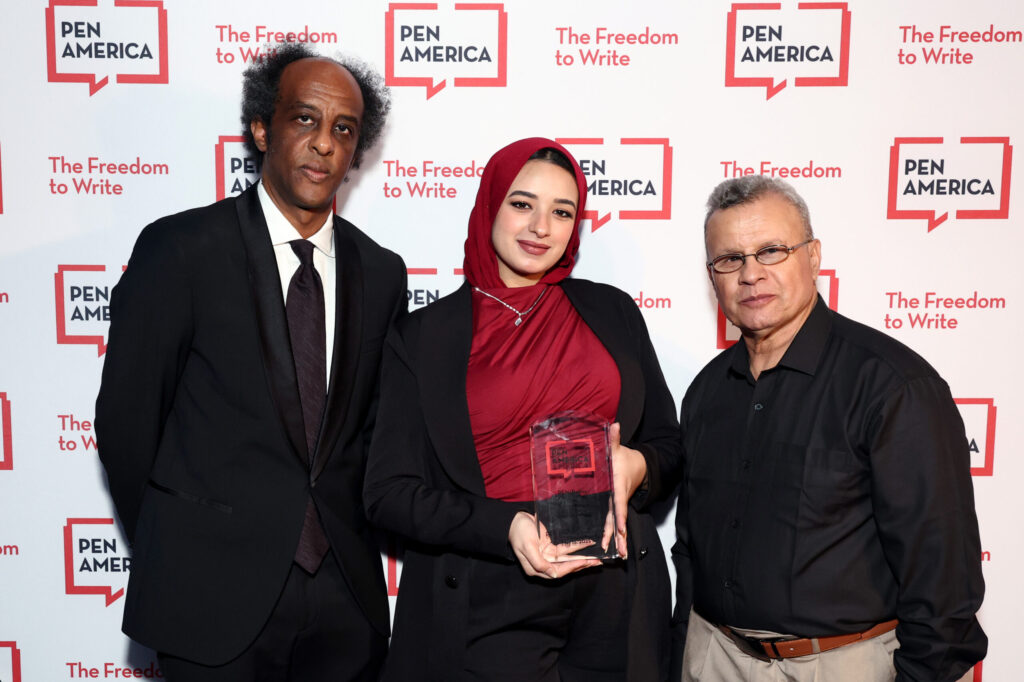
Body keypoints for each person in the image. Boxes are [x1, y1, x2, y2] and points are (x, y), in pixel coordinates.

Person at [95, 43, 407, 681]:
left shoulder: (382, 272)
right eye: (304, 120)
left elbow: (376, 438)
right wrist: (185, 546)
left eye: (343, 129)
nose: (323, 143)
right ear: (263, 128)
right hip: (209, 601)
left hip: (346, 607)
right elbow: (127, 429)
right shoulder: (180, 251)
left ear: (357, 151)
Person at [364, 137, 681, 681]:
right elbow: (389, 494)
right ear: (490, 204)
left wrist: (638, 468)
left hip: (618, 593)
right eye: (522, 203)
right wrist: (504, 525)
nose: (541, 227)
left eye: (562, 212)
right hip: (489, 594)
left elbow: (669, 447)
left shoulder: (612, 311)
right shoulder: (423, 337)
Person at [671, 176, 986, 681]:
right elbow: (689, 547)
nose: (750, 274)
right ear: (713, 276)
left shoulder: (893, 386)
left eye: (771, 251)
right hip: (712, 657)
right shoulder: (707, 391)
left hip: (839, 665)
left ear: (813, 257)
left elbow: (943, 583)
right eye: (730, 259)